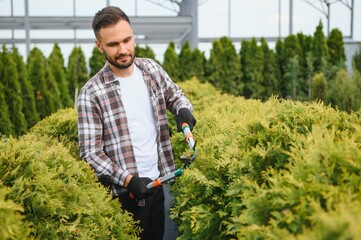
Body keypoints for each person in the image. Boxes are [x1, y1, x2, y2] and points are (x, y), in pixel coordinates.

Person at [77, 6, 196, 240]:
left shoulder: (150, 69)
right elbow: (90, 153)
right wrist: (128, 180)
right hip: (124, 196)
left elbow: (176, 96)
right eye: (113, 44)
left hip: (158, 184)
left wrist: (183, 110)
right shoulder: (91, 93)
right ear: (99, 46)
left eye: (127, 40)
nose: (123, 50)